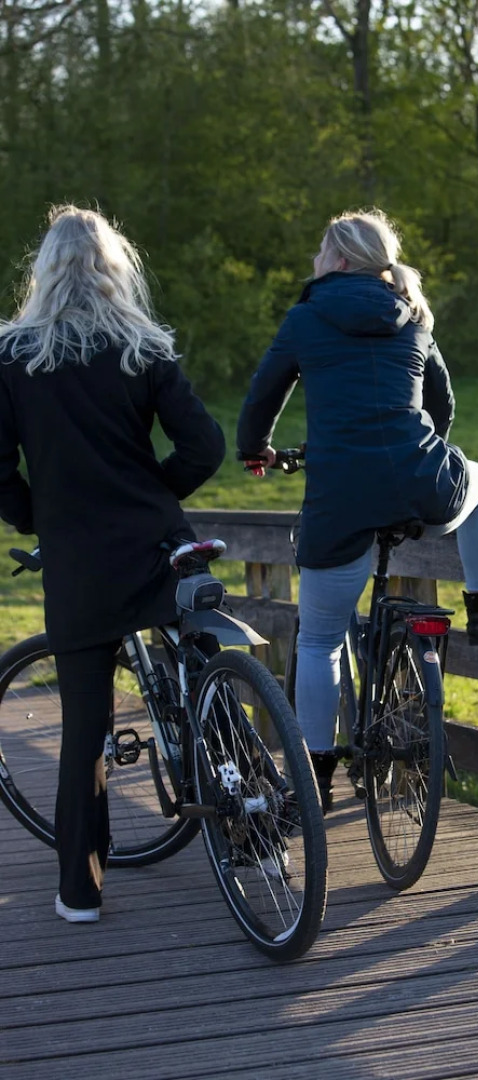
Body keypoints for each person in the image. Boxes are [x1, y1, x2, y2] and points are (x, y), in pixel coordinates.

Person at [236, 207, 478, 813]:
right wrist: (424, 452)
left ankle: (315, 779)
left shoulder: (307, 316)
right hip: (422, 481)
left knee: (318, 642)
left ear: (340, 258)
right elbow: (442, 403)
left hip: (342, 496)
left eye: (322, 251)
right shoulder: (414, 313)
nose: (316, 262)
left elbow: (263, 395)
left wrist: (254, 449)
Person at [0, 205, 226, 922]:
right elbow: (205, 447)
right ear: (113, 267)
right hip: (156, 542)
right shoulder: (142, 345)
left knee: (84, 723)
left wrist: (36, 515)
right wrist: (155, 494)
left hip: (79, 559)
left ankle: (80, 891)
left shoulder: (13, 357)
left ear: (43, 272)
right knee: (207, 667)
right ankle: (252, 821)